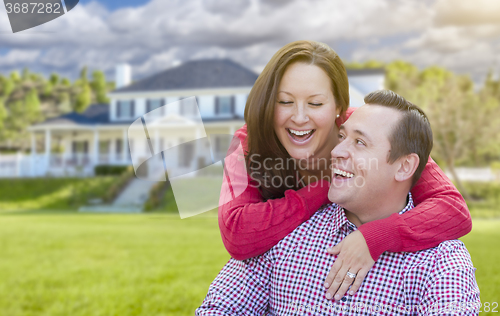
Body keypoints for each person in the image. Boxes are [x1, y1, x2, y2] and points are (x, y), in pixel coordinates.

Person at [218, 40, 472, 300]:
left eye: (315, 104)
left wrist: (375, 237)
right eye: (284, 101)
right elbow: (237, 232)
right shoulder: (248, 144)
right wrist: (330, 184)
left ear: (338, 106)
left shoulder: (369, 129)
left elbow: (452, 209)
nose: (300, 117)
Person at [197, 90, 480, 315]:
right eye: (342, 137)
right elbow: (219, 307)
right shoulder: (285, 233)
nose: (336, 150)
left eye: (359, 143)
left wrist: (375, 237)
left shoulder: (442, 264)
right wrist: (323, 187)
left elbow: (453, 207)